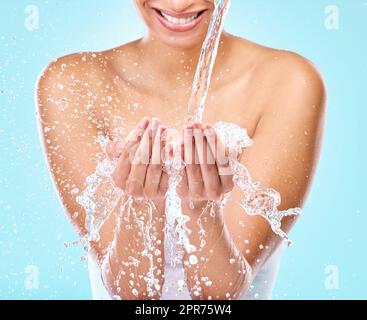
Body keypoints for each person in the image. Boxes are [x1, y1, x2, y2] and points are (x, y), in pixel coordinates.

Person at [36, 0, 326, 300]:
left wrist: (200, 208)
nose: (178, 3)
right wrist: (142, 207)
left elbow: (222, 295)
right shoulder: (71, 84)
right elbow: (132, 294)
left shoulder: (288, 81)